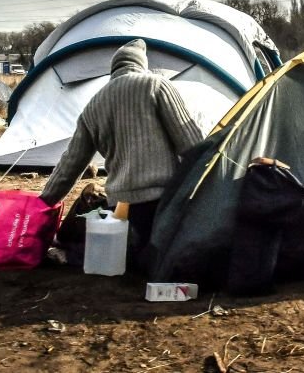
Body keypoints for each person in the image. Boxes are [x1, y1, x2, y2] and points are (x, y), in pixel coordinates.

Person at [39, 39, 205, 272]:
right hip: (163, 205)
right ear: (141, 65)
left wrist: (42, 203)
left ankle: (75, 252)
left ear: (114, 69)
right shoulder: (156, 85)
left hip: (122, 209)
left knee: (128, 253)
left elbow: (70, 165)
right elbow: (193, 146)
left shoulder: (93, 106)